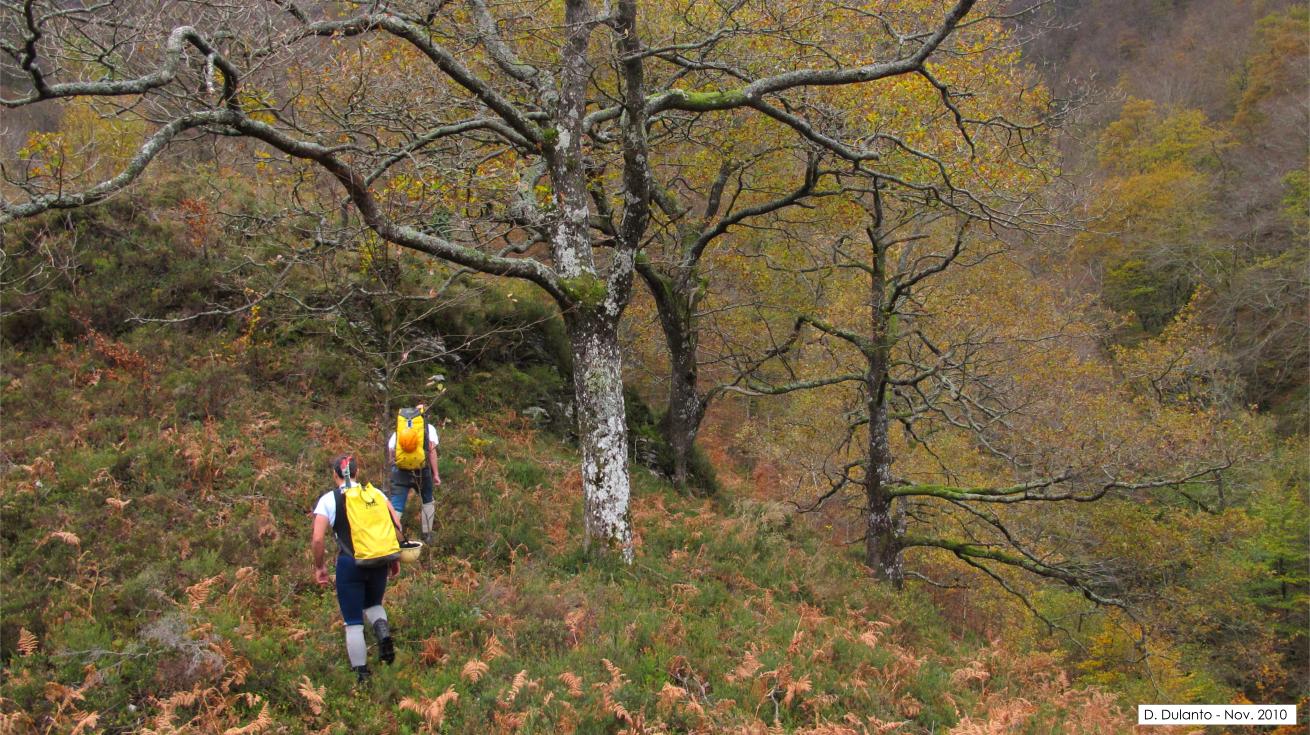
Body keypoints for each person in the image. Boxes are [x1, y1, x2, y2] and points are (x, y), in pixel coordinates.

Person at [311, 454, 400, 683]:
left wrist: (320, 566)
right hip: (378, 561)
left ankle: (362, 676)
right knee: (374, 604)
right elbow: (396, 525)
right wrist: (394, 559)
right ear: (357, 471)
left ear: (335, 475)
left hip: (350, 564)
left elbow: (318, 539)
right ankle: (382, 629)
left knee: (353, 622)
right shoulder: (375, 494)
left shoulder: (329, 500)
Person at [387, 404, 442, 543]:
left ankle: (390, 538)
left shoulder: (401, 427)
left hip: (400, 471)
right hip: (422, 471)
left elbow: (391, 450)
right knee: (427, 500)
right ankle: (427, 535)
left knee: (397, 505)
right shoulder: (428, 428)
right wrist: (436, 474)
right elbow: (432, 452)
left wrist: (395, 466)